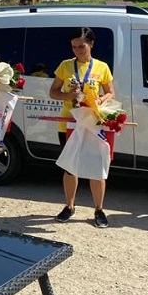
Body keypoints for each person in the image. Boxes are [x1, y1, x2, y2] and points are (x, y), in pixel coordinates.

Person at [49, 27, 115, 228]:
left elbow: (111, 92)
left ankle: (99, 209)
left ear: (91, 44)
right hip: (69, 123)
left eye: (81, 46)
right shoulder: (65, 66)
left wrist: (101, 99)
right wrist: (68, 95)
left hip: (93, 124)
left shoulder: (102, 67)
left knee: (97, 168)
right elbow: (53, 92)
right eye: (74, 47)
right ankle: (69, 206)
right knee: (70, 167)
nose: (77, 50)